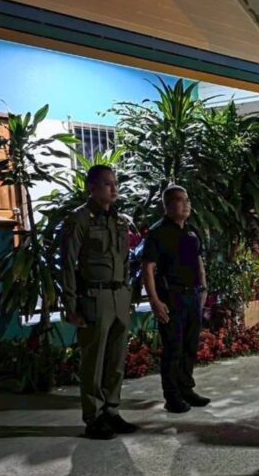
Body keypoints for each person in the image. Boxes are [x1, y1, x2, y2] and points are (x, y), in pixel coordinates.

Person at [60, 164, 138, 440]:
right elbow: (68, 264)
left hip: (118, 296)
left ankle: (111, 411)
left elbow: (125, 261)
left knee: (116, 360)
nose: (114, 188)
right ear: (92, 187)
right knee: (93, 360)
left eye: (116, 183)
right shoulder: (79, 219)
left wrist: (127, 294)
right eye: (107, 184)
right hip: (94, 296)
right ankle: (93, 417)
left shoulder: (120, 221)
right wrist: (71, 306)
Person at [141, 185, 210, 414]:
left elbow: (198, 260)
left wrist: (204, 288)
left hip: (193, 296)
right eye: (180, 200)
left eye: (187, 199)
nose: (186, 204)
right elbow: (148, 268)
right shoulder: (158, 233)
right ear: (167, 205)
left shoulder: (191, 231)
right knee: (173, 348)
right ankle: (172, 397)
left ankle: (186, 389)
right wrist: (154, 301)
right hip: (172, 297)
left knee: (190, 346)